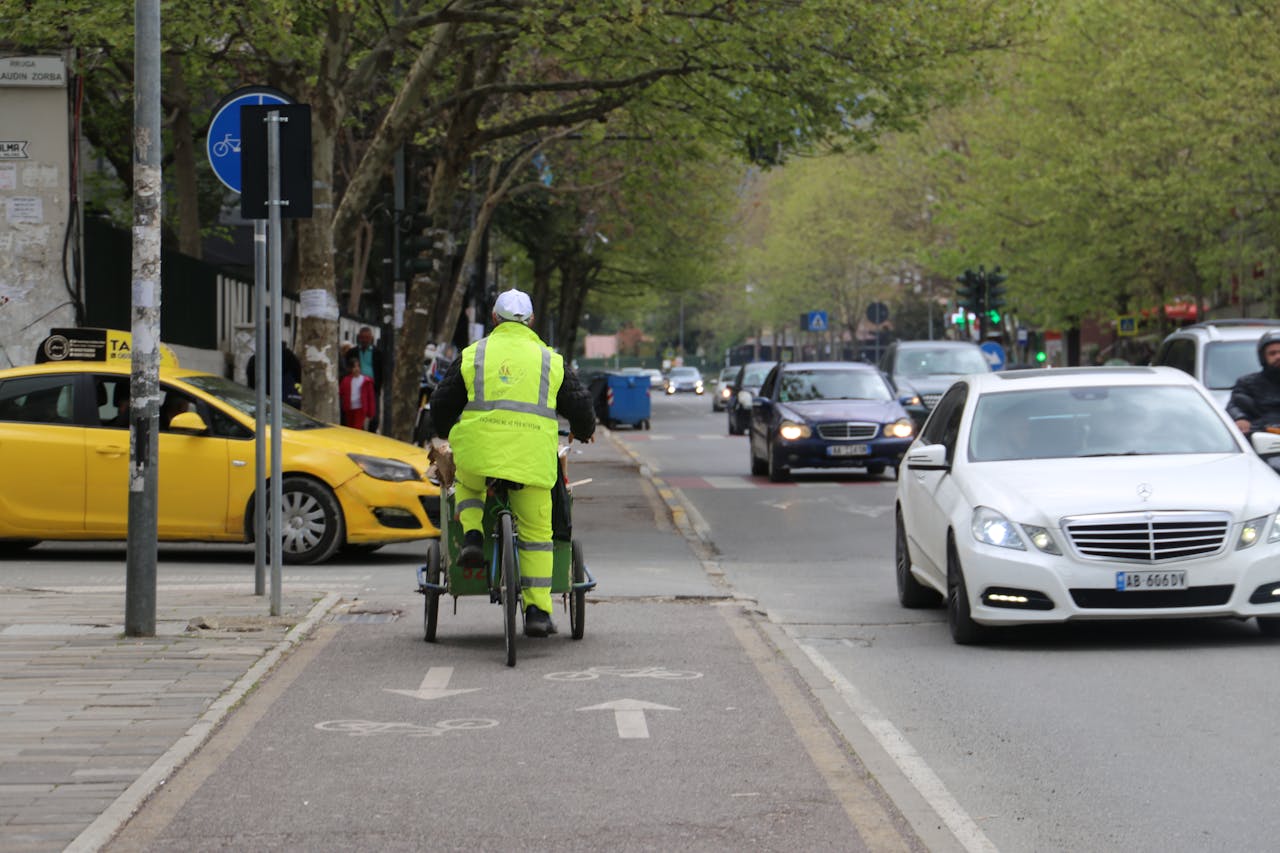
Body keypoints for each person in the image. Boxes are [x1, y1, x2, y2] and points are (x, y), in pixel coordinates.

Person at [429, 288, 596, 638]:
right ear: (531, 320)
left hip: (480, 452)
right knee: (537, 535)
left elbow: (442, 404)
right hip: (532, 460)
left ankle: (473, 536)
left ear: (494, 319)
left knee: (470, 482)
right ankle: (537, 612)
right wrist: (583, 431)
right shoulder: (550, 359)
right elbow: (579, 405)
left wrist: (445, 432)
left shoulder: (474, 354)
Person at [1228, 329, 1280, 434]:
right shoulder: (1247, 383)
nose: (1278, 357)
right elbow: (1234, 406)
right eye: (1272, 353)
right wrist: (1240, 418)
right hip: (1260, 437)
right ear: (1263, 357)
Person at [246, 342, 303, 408]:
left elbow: (251, 381)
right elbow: (298, 377)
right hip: (284, 399)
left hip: (263, 398)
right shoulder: (288, 355)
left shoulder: (255, 358)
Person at [354, 326, 385, 430]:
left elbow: (382, 371)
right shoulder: (353, 352)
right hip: (357, 386)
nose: (364, 340)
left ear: (371, 338)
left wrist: (378, 386)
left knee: (374, 416)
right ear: (359, 338)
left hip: (372, 387)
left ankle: (372, 433)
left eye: (367, 338)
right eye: (362, 338)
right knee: (358, 413)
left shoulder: (378, 353)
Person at [339, 352, 376, 430]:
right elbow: (341, 393)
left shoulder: (366, 381)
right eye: (354, 367)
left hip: (360, 408)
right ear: (350, 369)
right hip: (349, 409)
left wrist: (371, 412)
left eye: (358, 366)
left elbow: (371, 398)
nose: (356, 369)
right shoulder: (346, 380)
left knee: (356, 428)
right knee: (350, 427)